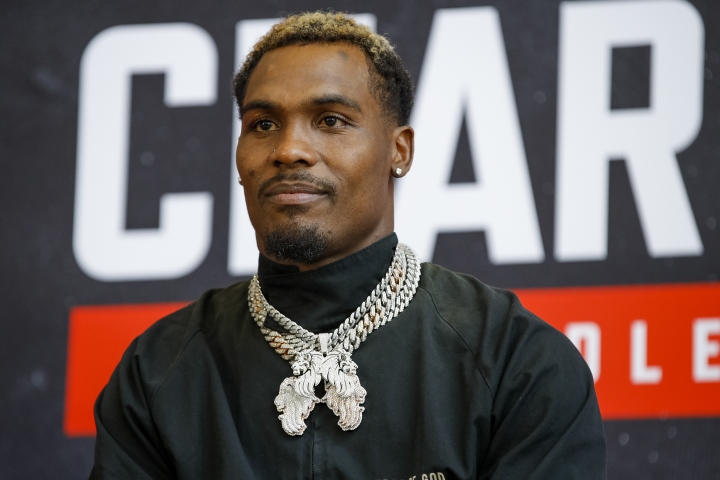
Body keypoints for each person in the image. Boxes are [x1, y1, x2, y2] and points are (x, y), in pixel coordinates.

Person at [90, 11, 606, 479]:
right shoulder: (158, 371)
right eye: (263, 124)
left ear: (399, 151)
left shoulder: (517, 361)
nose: (289, 149)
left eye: (331, 120)